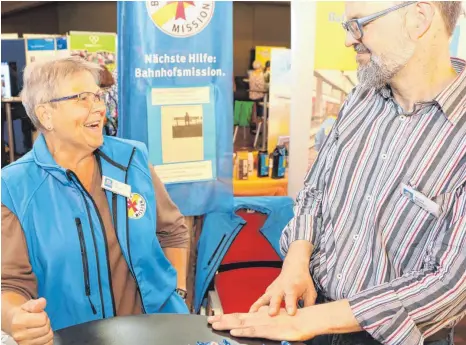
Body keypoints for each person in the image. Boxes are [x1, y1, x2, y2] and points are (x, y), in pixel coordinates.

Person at [209, 2, 465, 345]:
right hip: (312, 315)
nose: (349, 40)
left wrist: (314, 321)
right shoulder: (362, 97)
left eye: (359, 25)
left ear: (418, 18)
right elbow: (317, 188)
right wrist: (297, 260)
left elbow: (450, 284)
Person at [1, 56, 190, 345]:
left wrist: (177, 293)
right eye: (83, 98)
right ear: (46, 114)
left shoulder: (132, 159)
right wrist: (17, 318)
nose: (100, 107)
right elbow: (9, 283)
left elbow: (173, 231)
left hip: (160, 333)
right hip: (74, 338)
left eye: (99, 96)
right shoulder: (14, 188)